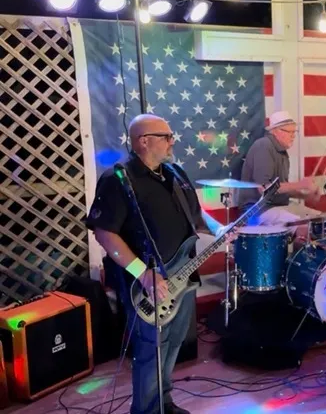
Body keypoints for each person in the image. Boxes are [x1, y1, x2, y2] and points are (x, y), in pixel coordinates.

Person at [86, 114, 233, 414]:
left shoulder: (175, 173)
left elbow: (196, 216)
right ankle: (146, 410)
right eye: (166, 136)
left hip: (183, 276)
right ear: (144, 141)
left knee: (175, 342)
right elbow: (104, 233)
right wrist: (144, 274)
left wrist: (219, 229)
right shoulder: (119, 179)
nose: (172, 142)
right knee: (151, 350)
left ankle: (163, 403)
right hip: (146, 284)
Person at [235, 110, 321, 238]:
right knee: (304, 228)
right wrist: (300, 184)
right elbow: (265, 188)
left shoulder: (282, 152)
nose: (293, 136)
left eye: (294, 132)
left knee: (320, 220)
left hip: (278, 205)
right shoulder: (263, 146)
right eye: (289, 132)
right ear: (275, 131)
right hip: (258, 210)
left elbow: (280, 189)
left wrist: (304, 195)